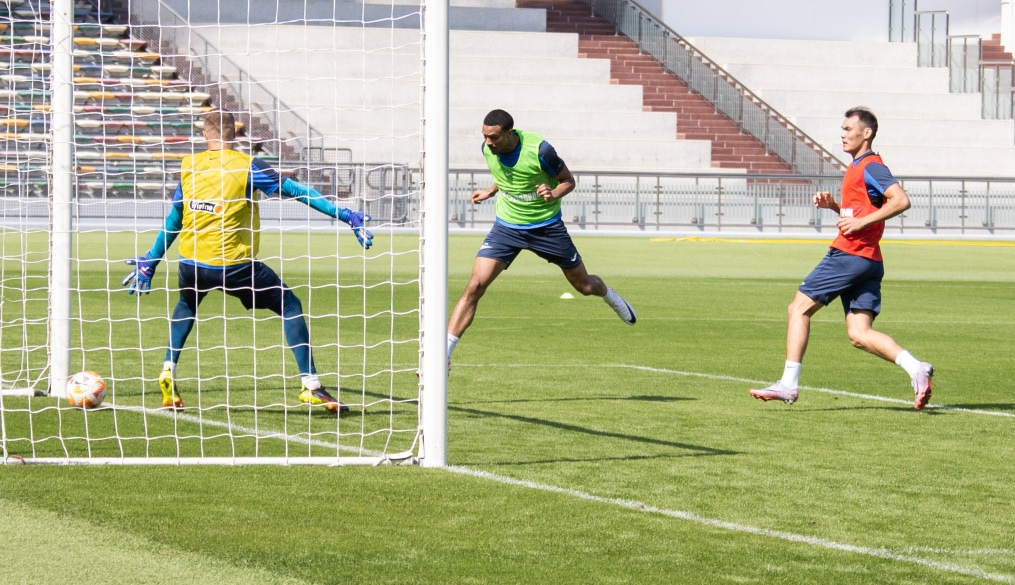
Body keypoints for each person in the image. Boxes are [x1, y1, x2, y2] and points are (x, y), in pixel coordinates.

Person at [121, 110, 373, 413]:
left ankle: (168, 369)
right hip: (233, 265)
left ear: (205, 134)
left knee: (187, 304)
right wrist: (346, 215)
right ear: (235, 135)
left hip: (190, 262)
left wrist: (152, 259)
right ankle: (311, 385)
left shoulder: (190, 166)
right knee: (289, 304)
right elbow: (296, 191)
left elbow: (176, 216)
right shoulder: (247, 166)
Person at [749, 107, 933, 410]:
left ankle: (788, 385)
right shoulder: (857, 167)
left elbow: (901, 200)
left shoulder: (871, 166)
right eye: (842, 129)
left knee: (798, 309)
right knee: (860, 334)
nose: (842, 134)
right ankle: (916, 368)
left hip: (849, 255)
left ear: (867, 133)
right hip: (869, 261)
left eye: (848, 129)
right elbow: (860, 212)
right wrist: (836, 207)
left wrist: (861, 224)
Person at [446, 109, 636, 368]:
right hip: (507, 227)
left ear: (510, 133)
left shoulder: (541, 151)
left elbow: (568, 181)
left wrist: (553, 193)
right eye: (485, 136)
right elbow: (507, 177)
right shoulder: (488, 149)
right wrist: (490, 191)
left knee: (585, 287)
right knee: (475, 286)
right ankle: (443, 356)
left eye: (494, 137)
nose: (488, 142)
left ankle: (610, 296)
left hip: (546, 227)